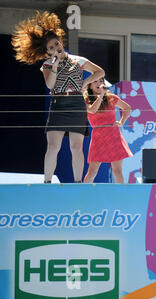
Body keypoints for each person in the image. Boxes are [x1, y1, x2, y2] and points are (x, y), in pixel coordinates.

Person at [11, 11, 105, 183]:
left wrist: (85, 83)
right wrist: (54, 65)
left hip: (77, 104)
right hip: (58, 104)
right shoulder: (47, 64)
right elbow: (50, 85)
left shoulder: (78, 60)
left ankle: (78, 183)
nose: (56, 48)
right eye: (51, 48)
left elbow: (100, 72)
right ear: (47, 52)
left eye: (56, 44)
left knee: (76, 147)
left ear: (61, 41)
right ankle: (47, 182)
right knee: (53, 146)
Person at [83, 78, 133, 183]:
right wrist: (101, 95)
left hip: (113, 135)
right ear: (90, 86)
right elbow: (92, 110)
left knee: (117, 171)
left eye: (101, 81)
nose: (98, 84)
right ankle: (84, 195)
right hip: (98, 136)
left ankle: (120, 196)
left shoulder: (111, 98)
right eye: (95, 81)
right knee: (92, 172)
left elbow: (127, 108)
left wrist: (121, 122)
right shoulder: (85, 100)